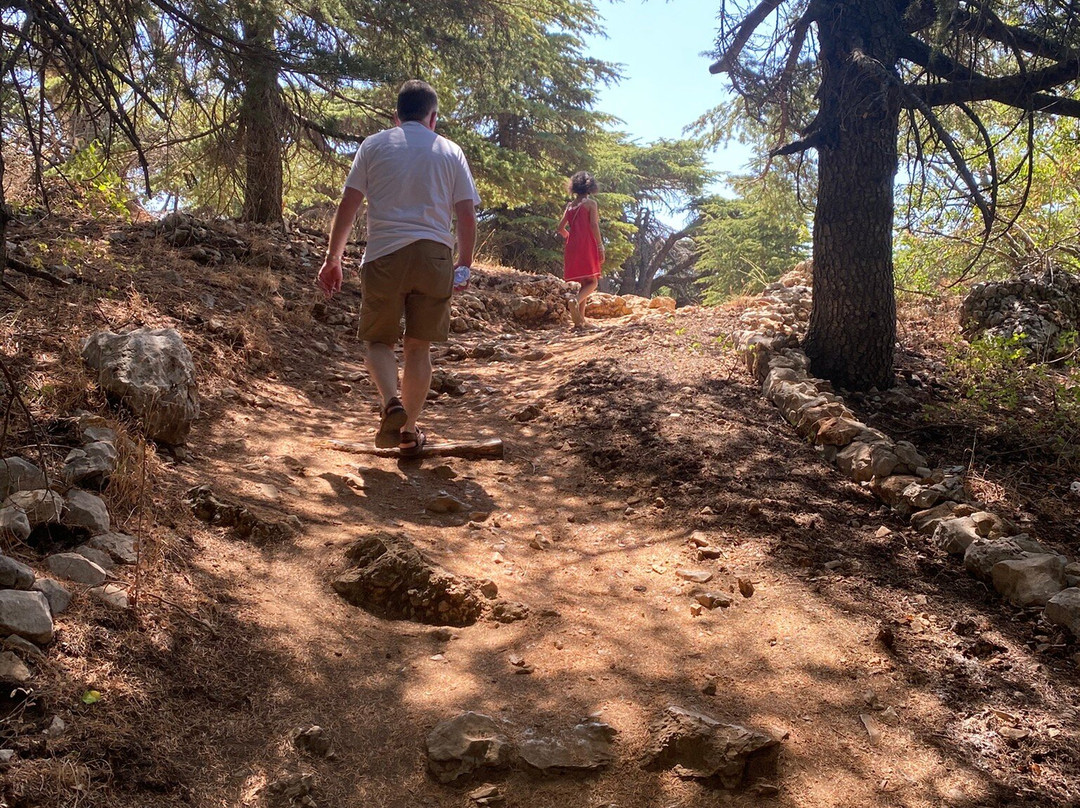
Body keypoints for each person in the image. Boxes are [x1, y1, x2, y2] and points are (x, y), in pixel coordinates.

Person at [317, 79, 479, 456]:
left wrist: (333, 259)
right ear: (432, 118)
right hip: (434, 256)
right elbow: (466, 214)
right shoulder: (450, 151)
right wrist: (465, 264)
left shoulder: (373, 145)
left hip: (384, 254)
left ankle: (391, 401)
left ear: (396, 116)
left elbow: (350, 204)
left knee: (378, 340)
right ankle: (408, 431)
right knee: (418, 348)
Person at [557, 171, 605, 327]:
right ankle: (575, 301)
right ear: (591, 187)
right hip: (587, 244)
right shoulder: (591, 204)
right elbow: (593, 225)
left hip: (572, 245)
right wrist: (600, 245)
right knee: (593, 282)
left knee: (585, 282)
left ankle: (580, 322)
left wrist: (570, 238)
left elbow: (560, 228)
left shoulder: (570, 206)